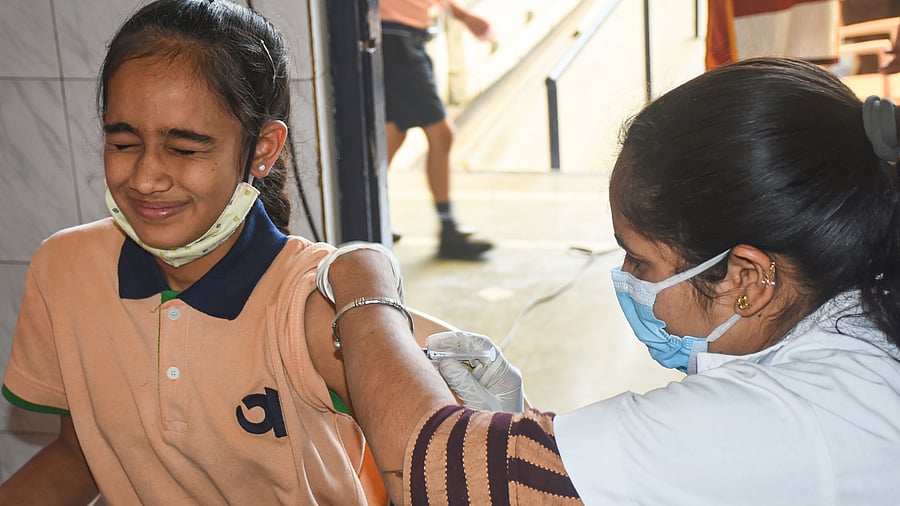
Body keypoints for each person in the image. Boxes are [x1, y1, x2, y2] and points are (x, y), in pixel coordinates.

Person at [317, 57, 900, 504]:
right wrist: (528, 430)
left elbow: (430, 470)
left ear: (746, 277)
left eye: (640, 261)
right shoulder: (858, 323)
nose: (625, 280)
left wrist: (364, 284)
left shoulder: (789, 418)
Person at [0, 0, 450, 503]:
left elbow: (448, 463)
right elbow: (80, 451)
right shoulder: (65, 269)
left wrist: (368, 286)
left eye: (186, 149)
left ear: (262, 148)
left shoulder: (313, 303)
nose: (146, 177)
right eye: (124, 142)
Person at [381, 0, 494, 260]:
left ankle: (370, 218)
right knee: (441, 133)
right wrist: (466, 17)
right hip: (397, 41)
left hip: (402, 38)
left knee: (395, 134)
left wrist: (464, 17)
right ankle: (447, 229)